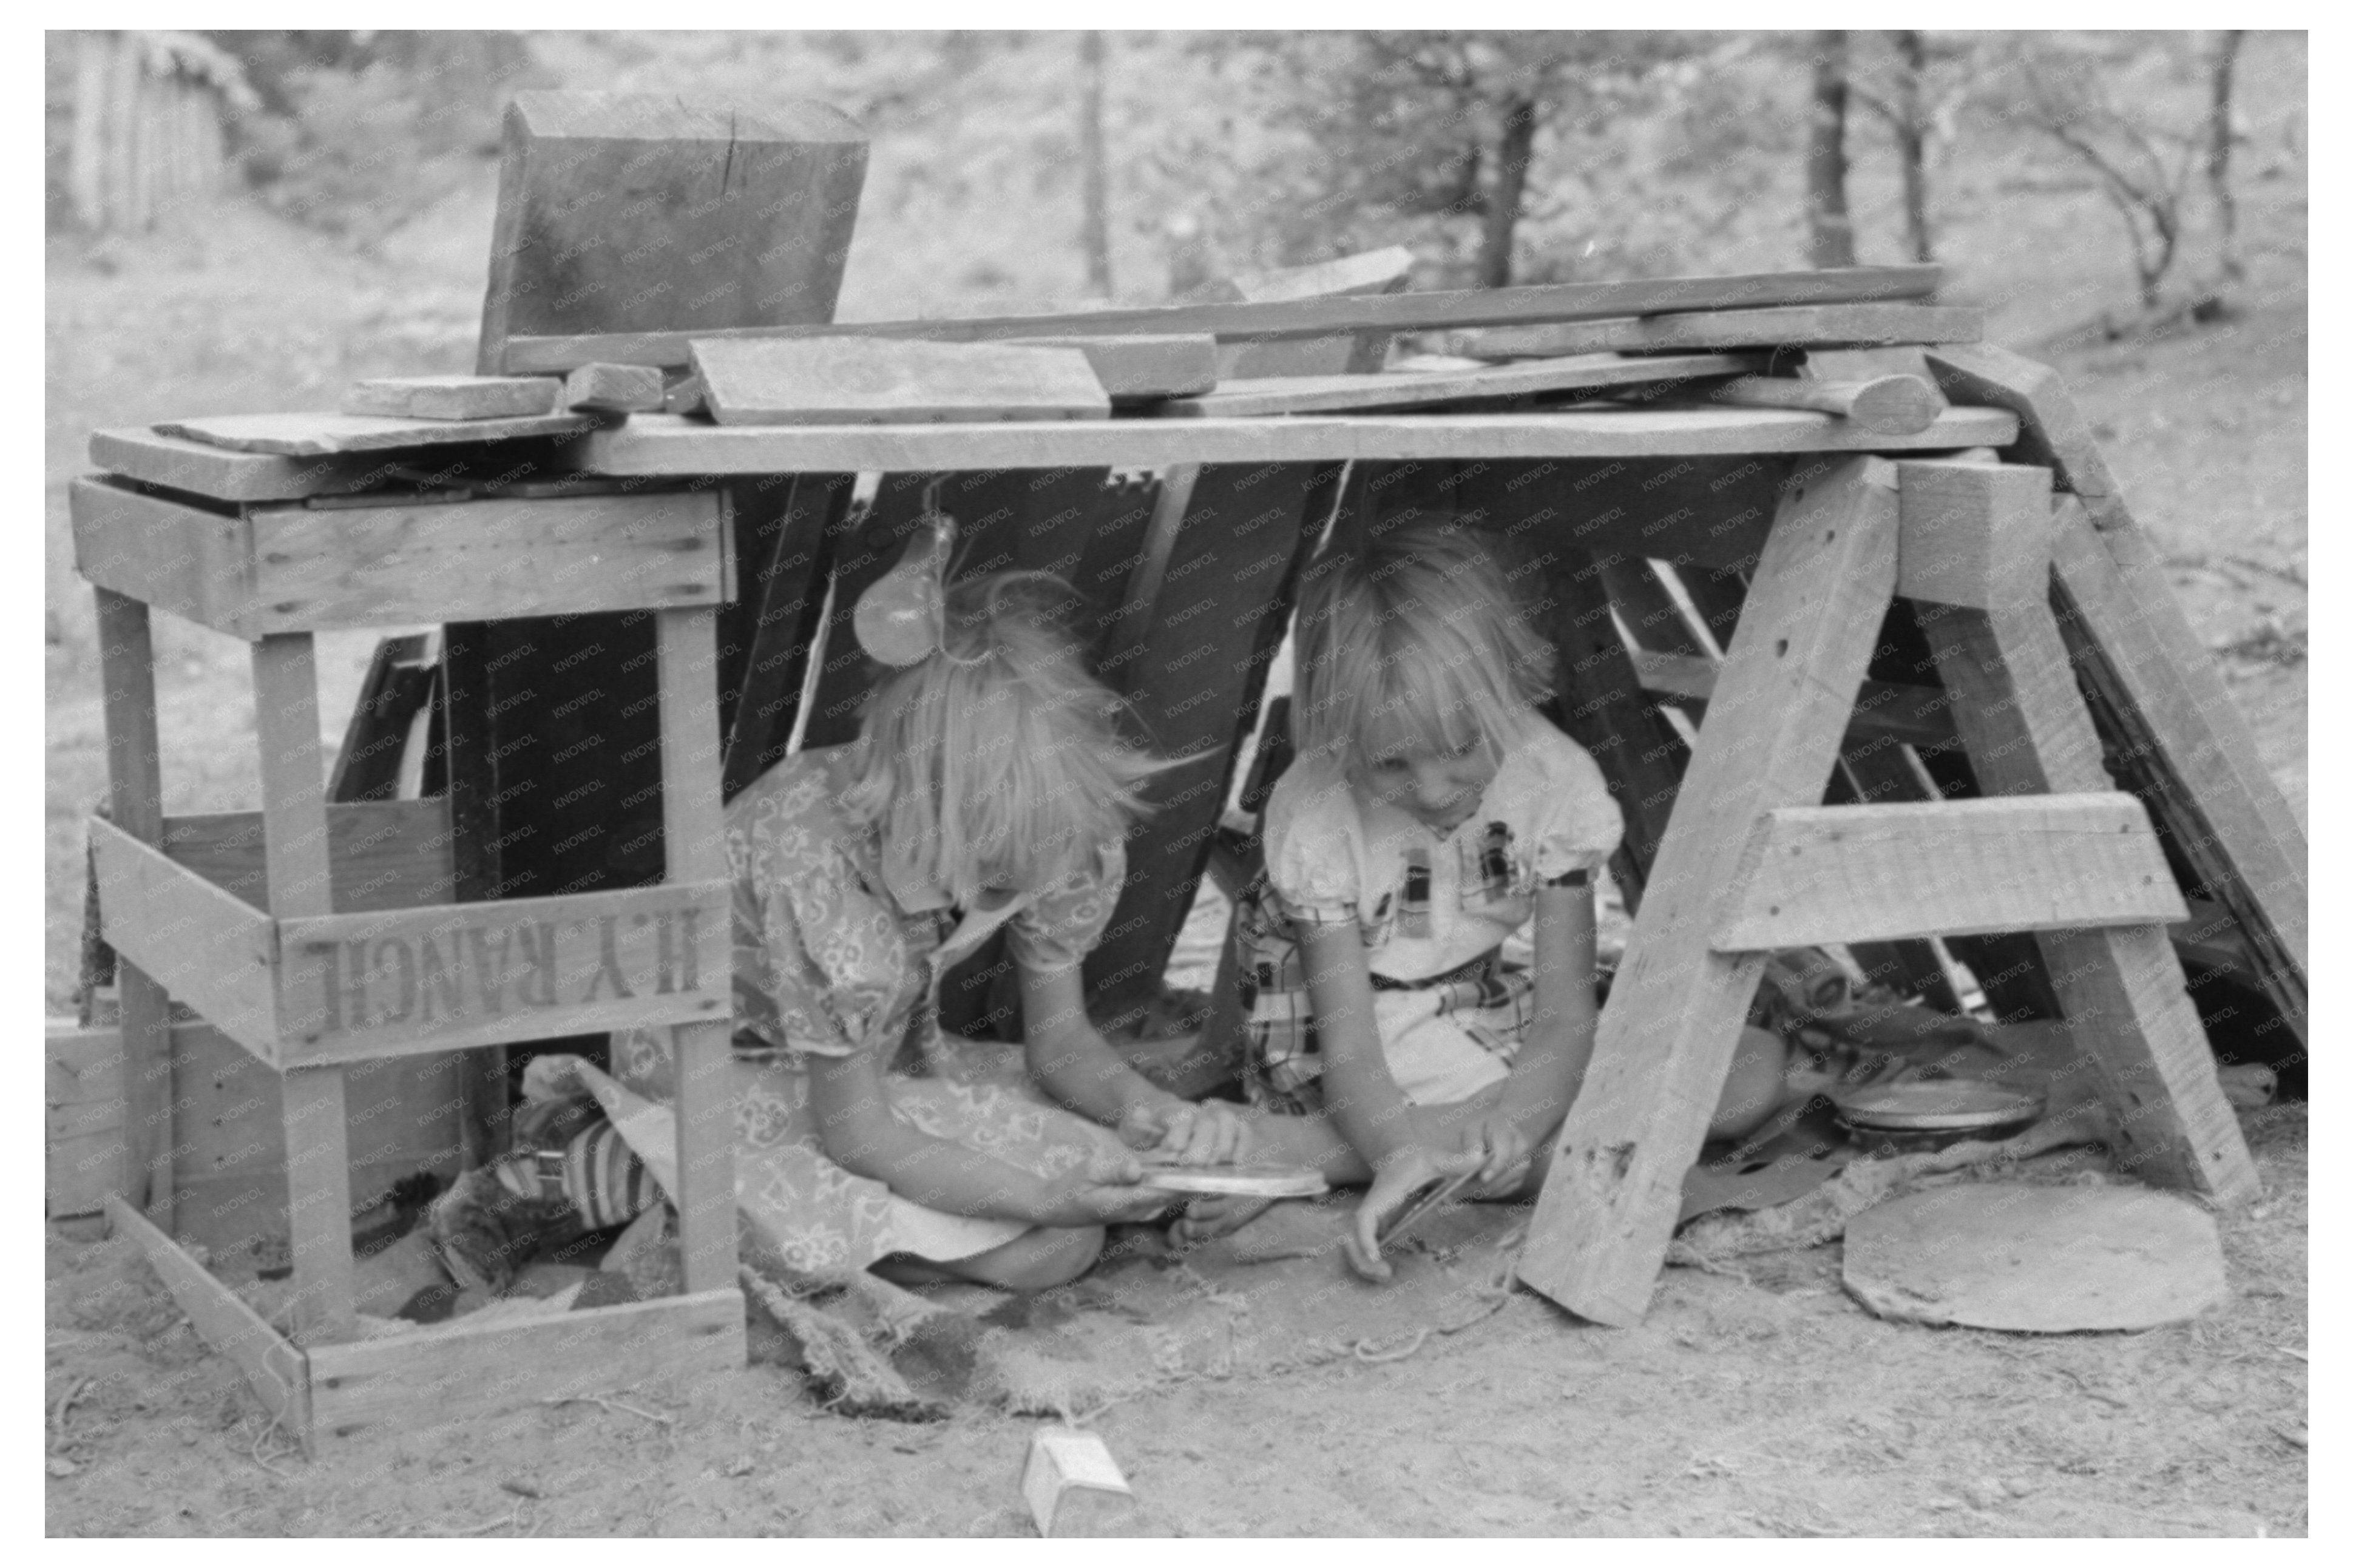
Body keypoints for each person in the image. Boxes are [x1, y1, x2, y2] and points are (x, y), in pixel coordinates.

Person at [433, 562, 1262, 1296]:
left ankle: (715, 1203)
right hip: (716, 1065)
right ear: (915, 807)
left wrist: (1141, 1108)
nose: (1014, 889)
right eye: (992, 874)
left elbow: (1061, 1044)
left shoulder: (1056, 831)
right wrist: (1044, 1199)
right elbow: (859, 1131)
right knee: (1059, 1232)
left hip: (869, 1062)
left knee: (1088, 1166)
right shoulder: (820, 856)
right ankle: (631, 1174)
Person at [1220, 519, 1788, 1281]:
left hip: (1469, 997)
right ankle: (1368, 1151)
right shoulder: (1319, 812)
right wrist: (1397, 1147)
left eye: (1461, 748)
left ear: (1508, 690)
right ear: (1338, 733)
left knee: (1749, 1068)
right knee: (1606, 1130)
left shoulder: (1554, 782)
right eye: (1390, 763)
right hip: (1348, 1032)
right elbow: (1350, 1046)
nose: (1432, 789)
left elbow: (1562, 1015)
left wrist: (1514, 1120)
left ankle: (1329, 1154)